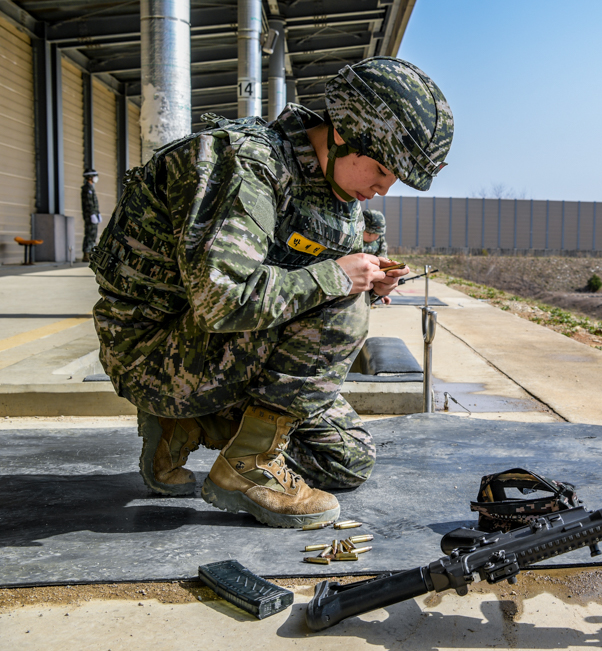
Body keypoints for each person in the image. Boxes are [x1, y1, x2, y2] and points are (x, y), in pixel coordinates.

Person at [88, 57, 453, 528]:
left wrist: (373, 277)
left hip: (213, 350)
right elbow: (222, 300)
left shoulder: (336, 189)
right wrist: (340, 278)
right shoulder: (247, 165)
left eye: (394, 178)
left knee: (346, 461)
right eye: (381, 168)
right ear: (343, 133)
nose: (383, 187)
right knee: (338, 293)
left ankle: (192, 422)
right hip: (154, 353)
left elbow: (326, 258)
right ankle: (247, 468)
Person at [81, 168, 101, 262]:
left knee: (93, 235)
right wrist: (92, 214)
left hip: (93, 215)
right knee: (89, 235)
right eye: (94, 176)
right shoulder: (87, 189)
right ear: (90, 177)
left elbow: (94, 203)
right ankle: (86, 254)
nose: (96, 178)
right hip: (90, 216)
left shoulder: (91, 188)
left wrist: (98, 213)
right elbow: (89, 203)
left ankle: (91, 253)